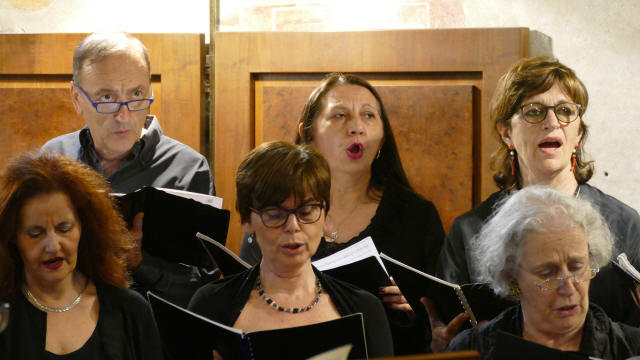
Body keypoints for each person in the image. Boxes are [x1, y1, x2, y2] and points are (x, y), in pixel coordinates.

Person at [432, 57, 640, 351]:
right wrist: (446, 345)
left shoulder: (626, 224)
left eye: (566, 111)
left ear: (578, 133)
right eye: (534, 111)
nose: (553, 122)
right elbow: (451, 328)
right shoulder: (470, 230)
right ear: (506, 133)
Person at [239, 73, 445, 354]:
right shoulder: (273, 213)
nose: (357, 128)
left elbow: (436, 322)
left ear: (383, 137)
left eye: (369, 116)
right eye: (339, 116)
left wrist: (411, 314)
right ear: (308, 135)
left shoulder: (416, 217)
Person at [42, 32, 217, 306]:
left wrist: (139, 263)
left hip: (152, 338)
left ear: (150, 91)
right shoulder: (53, 159)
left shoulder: (188, 169)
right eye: (107, 97)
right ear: (76, 97)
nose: (123, 115)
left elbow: (205, 289)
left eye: (136, 94)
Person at [188, 141, 394, 358]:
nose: (293, 227)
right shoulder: (210, 305)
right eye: (275, 214)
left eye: (306, 212)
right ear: (247, 221)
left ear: (325, 215)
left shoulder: (364, 309)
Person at [0, 152, 163, 359]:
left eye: (64, 228)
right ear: (12, 237)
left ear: (83, 227)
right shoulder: (4, 315)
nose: (52, 246)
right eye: (35, 233)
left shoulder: (130, 311)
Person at [447, 186, 640, 359]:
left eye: (576, 266)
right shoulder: (471, 350)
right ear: (512, 277)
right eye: (547, 272)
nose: (569, 287)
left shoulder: (631, 348)